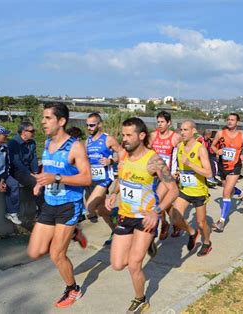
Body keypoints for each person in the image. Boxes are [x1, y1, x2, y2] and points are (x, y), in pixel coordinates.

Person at [105, 117, 178, 313]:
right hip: (124, 215)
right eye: (123, 134)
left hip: (146, 218)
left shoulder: (153, 160)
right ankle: (147, 244)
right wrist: (113, 193)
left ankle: (141, 299)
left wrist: (157, 211)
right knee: (118, 264)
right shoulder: (123, 157)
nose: (124, 138)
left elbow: (173, 189)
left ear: (142, 136)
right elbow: (122, 179)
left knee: (133, 264)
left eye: (129, 135)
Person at [27, 103, 92, 308]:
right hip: (49, 203)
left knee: (56, 254)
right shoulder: (47, 143)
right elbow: (48, 166)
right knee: (35, 250)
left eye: (47, 118)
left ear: (61, 121)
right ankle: (73, 233)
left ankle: (73, 289)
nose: (42, 122)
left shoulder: (75, 146)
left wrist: (56, 177)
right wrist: (40, 183)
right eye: (43, 118)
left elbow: (87, 178)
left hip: (68, 206)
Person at [171, 120, 213, 256]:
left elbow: (209, 173)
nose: (182, 133)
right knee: (175, 217)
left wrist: (189, 163)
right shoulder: (179, 146)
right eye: (181, 130)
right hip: (184, 190)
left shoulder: (200, 148)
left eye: (185, 130)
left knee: (201, 223)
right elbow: (181, 166)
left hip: (199, 191)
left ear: (193, 131)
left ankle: (207, 242)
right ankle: (192, 232)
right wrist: (179, 172)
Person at [84, 113, 122, 245]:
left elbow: (122, 154)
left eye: (92, 125)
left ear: (99, 125)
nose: (89, 127)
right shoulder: (87, 141)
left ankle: (115, 216)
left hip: (105, 178)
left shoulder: (108, 139)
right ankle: (115, 229)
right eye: (87, 125)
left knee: (90, 206)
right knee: (100, 210)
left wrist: (111, 160)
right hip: (93, 179)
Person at [210, 113, 243, 232]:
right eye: (228, 119)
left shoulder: (242, 136)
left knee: (226, 192)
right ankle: (240, 193)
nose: (229, 122)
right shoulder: (220, 133)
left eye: (232, 120)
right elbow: (212, 146)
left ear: (237, 122)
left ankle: (221, 222)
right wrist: (217, 151)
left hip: (235, 167)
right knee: (229, 189)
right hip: (223, 166)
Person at [149, 110, 181, 239]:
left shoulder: (175, 137)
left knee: (157, 201)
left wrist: (179, 171)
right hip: (155, 175)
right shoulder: (153, 136)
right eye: (158, 122)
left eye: (162, 122)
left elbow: (182, 154)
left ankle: (164, 224)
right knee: (165, 205)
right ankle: (172, 222)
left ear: (169, 123)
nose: (160, 124)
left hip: (169, 176)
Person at [8, 121, 44, 215]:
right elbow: (16, 162)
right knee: (36, 182)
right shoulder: (13, 143)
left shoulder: (31, 143)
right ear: (24, 132)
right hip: (17, 171)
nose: (34, 133)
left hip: (29, 170)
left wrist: (36, 172)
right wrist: (30, 174)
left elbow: (33, 158)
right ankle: (43, 211)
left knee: (44, 179)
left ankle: (47, 209)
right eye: (32, 131)